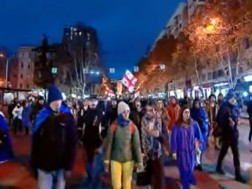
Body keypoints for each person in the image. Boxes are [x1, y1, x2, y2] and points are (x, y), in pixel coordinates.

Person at [31, 85, 77, 189]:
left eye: (59, 101)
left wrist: (68, 166)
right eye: (54, 101)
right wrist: (34, 163)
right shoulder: (42, 116)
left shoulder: (67, 117)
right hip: (44, 165)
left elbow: (72, 143)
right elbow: (35, 141)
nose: (57, 104)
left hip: (61, 165)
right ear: (49, 102)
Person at [104, 101, 143, 189]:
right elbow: (109, 144)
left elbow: (136, 146)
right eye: (124, 112)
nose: (126, 114)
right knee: (116, 185)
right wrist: (106, 161)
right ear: (119, 113)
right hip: (115, 159)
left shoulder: (132, 127)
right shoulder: (113, 126)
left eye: (128, 111)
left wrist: (140, 161)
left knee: (127, 185)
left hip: (128, 159)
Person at [215, 90, 245, 183]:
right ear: (228, 98)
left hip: (234, 133)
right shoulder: (223, 107)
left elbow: (237, 117)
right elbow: (219, 120)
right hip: (226, 134)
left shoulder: (235, 107)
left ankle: (237, 174)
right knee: (224, 151)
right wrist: (228, 123)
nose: (233, 99)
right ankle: (218, 166)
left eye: (234, 97)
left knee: (236, 153)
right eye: (232, 97)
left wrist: (235, 122)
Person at [171, 106, 203, 189]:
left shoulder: (194, 124)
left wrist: (197, 147)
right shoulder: (177, 125)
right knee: (183, 169)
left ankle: (187, 180)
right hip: (181, 152)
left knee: (190, 168)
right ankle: (186, 185)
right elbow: (173, 139)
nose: (187, 114)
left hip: (191, 151)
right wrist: (174, 151)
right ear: (182, 113)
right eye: (185, 112)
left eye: (188, 112)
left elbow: (199, 137)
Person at [80, 97, 107, 184]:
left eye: (94, 101)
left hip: (96, 138)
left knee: (98, 157)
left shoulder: (99, 112)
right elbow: (83, 124)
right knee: (89, 157)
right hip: (87, 138)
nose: (93, 103)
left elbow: (102, 124)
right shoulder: (85, 112)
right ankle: (90, 175)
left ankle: (96, 175)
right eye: (91, 101)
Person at [141, 101, 165, 189]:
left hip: (157, 152)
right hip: (147, 152)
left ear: (154, 110)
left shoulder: (158, 119)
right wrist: (143, 150)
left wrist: (158, 134)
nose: (148, 112)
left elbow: (162, 135)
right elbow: (143, 136)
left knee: (158, 177)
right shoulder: (144, 119)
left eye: (150, 110)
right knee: (147, 176)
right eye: (147, 110)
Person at [190, 98, 208, 171]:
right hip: (195, 133)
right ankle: (195, 162)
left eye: (198, 103)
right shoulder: (191, 111)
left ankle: (199, 163)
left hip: (202, 132)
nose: (197, 105)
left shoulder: (202, 111)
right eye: (195, 104)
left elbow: (206, 121)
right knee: (196, 148)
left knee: (201, 148)